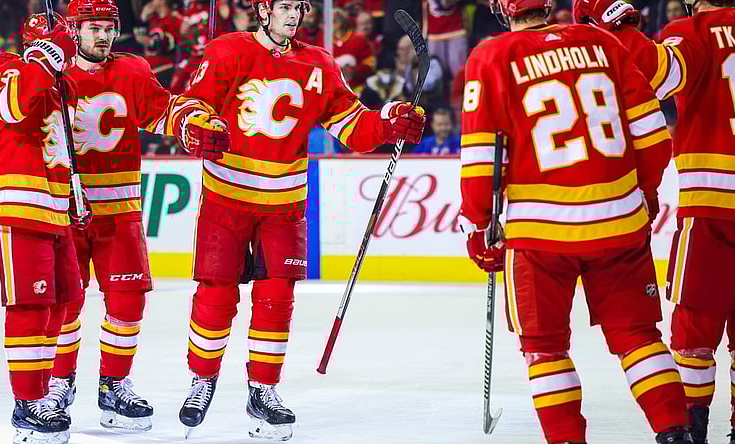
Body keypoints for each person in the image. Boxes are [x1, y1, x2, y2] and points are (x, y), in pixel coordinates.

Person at [166, 0, 426, 439]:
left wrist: (388, 121)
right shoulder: (227, 51)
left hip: (285, 205)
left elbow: (352, 126)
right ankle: (202, 379)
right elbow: (188, 105)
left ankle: (263, 390)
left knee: (276, 299)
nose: (294, 15)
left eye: (298, 7)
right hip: (226, 199)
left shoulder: (319, 63)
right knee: (215, 294)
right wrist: (195, 126)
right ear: (263, 9)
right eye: (285, 6)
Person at [459, 0, 692, 442]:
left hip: (540, 236)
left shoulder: (491, 55)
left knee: (545, 350)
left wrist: (478, 224)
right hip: (619, 222)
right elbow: (652, 132)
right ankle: (675, 432)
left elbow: (480, 159)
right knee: (640, 338)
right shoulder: (602, 42)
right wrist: (643, 191)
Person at [40, 0, 226, 432]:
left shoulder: (133, 70)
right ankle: (58, 383)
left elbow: (161, 110)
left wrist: (190, 125)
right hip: (65, 209)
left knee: (128, 301)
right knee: (66, 303)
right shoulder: (50, 69)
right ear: (73, 29)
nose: (103, 36)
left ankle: (113, 383)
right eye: (93, 28)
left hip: (120, 210)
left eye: (109, 27)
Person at [0, 12, 80, 444]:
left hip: (56, 204)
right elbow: (9, 110)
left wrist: (75, 191)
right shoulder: (6, 65)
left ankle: (42, 388)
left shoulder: (57, 82)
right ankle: (27, 401)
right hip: (18, 198)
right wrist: (42, 57)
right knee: (31, 306)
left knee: (66, 301)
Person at [652, 0, 735, 442]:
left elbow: (654, 78)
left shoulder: (693, 31)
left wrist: (620, 30)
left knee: (695, 329)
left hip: (712, 207)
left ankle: (693, 429)